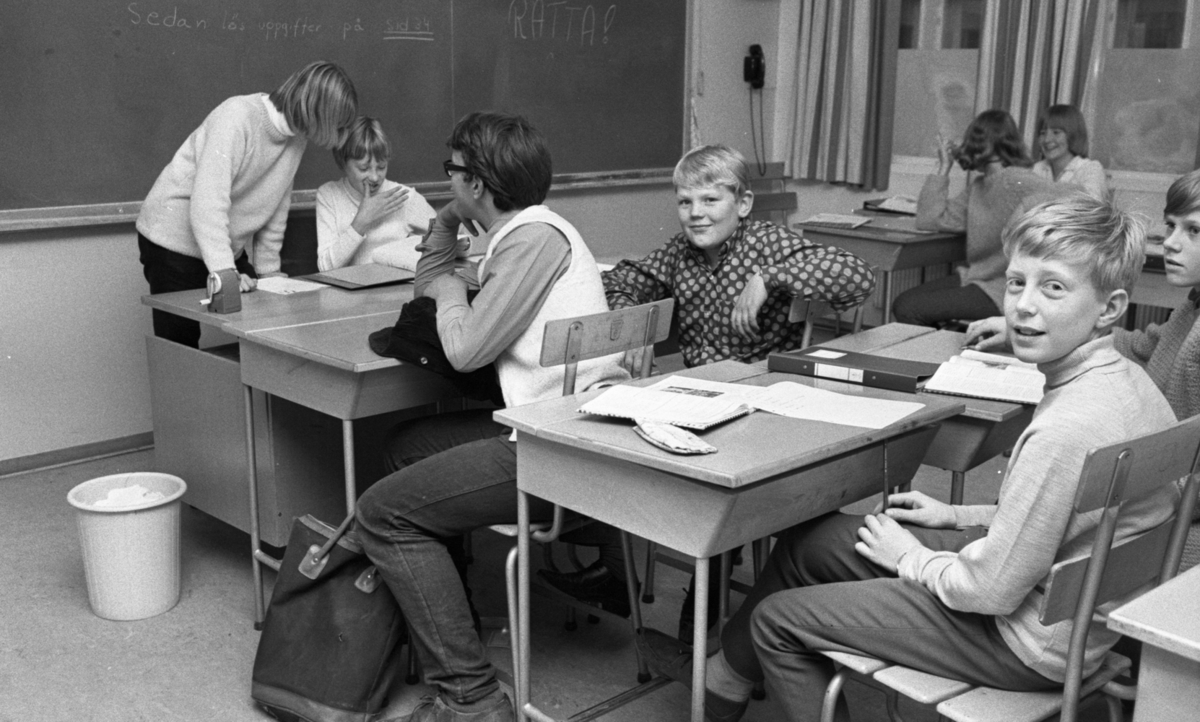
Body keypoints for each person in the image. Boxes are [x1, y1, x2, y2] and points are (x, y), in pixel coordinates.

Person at [639, 195, 1180, 722]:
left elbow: (989, 590)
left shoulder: (1066, 428)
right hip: (1061, 612)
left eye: (1053, 287)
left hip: (1022, 640)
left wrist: (910, 558)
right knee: (812, 542)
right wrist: (956, 514)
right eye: (1017, 282)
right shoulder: (1133, 386)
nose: (1023, 305)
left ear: (1110, 309)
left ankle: (725, 682)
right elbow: (1064, 516)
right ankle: (724, 681)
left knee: (776, 620)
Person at [538, 143, 876, 641]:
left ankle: (698, 633)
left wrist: (769, 278)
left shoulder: (768, 243)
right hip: (699, 404)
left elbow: (857, 276)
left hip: (767, 409)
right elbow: (626, 278)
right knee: (614, 442)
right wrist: (635, 318)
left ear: (743, 203)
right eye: (685, 201)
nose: (696, 213)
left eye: (711, 200)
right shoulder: (680, 253)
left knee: (717, 495)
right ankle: (619, 572)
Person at [354, 111, 629, 722]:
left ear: (476, 181)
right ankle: (450, 626)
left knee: (380, 514)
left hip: (557, 450)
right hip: (552, 427)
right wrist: (448, 221)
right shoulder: (525, 232)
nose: (447, 179)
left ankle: (470, 696)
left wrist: (455, 289)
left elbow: (462, 347)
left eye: (452, 171)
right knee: (405, 445)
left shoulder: (533, 242)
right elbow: (429, 283)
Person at [136, 61, 357, 348]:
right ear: (317, 112)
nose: (342, 135)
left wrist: (269, 274)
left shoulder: (296, 138)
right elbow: (207, 205)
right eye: (339, 125)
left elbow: (276, 206)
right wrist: (225, 272)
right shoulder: (236, 117)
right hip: (172, 240)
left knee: (267, 323)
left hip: (219, 243)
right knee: (179, 345)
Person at [892, 109, 1067, 328]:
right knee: (903, 303)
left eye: (975, 138)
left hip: (1003, 287)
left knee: (909, 309)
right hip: (976, 278)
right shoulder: (978, 186)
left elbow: (1077, 196)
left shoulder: (1015, 179)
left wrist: (1024, 208)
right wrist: (943, 167)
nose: (968, 146)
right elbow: (929, 219)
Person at [316, 116, 466, 272]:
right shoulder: (329, 196)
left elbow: (452, 238)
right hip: (347, 287)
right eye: (364, 169)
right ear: (343, 163)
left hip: (397, 286)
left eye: (381, 167)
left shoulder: (403, 197)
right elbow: (326, 268)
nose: (375, 177)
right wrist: (361, 222)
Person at [1031, 104, 1108, 201]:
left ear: (1073, 135)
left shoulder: (1090, 169)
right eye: (1043, 133)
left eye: (1056, 132)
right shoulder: (1038, 168)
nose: (1047, 139)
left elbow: (1090, 206)